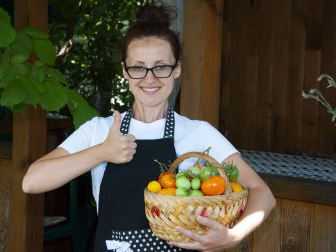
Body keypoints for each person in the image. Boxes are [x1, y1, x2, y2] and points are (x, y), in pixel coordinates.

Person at [22, 2, 276, 251]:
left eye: (161, 67)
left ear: (176, 69)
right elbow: (32, 181)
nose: (149, 78)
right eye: (138, 68)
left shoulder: (197, 132)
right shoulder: (99, 130)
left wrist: (232, 236)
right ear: (125, 71)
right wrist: (102, 152)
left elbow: (262, 192)